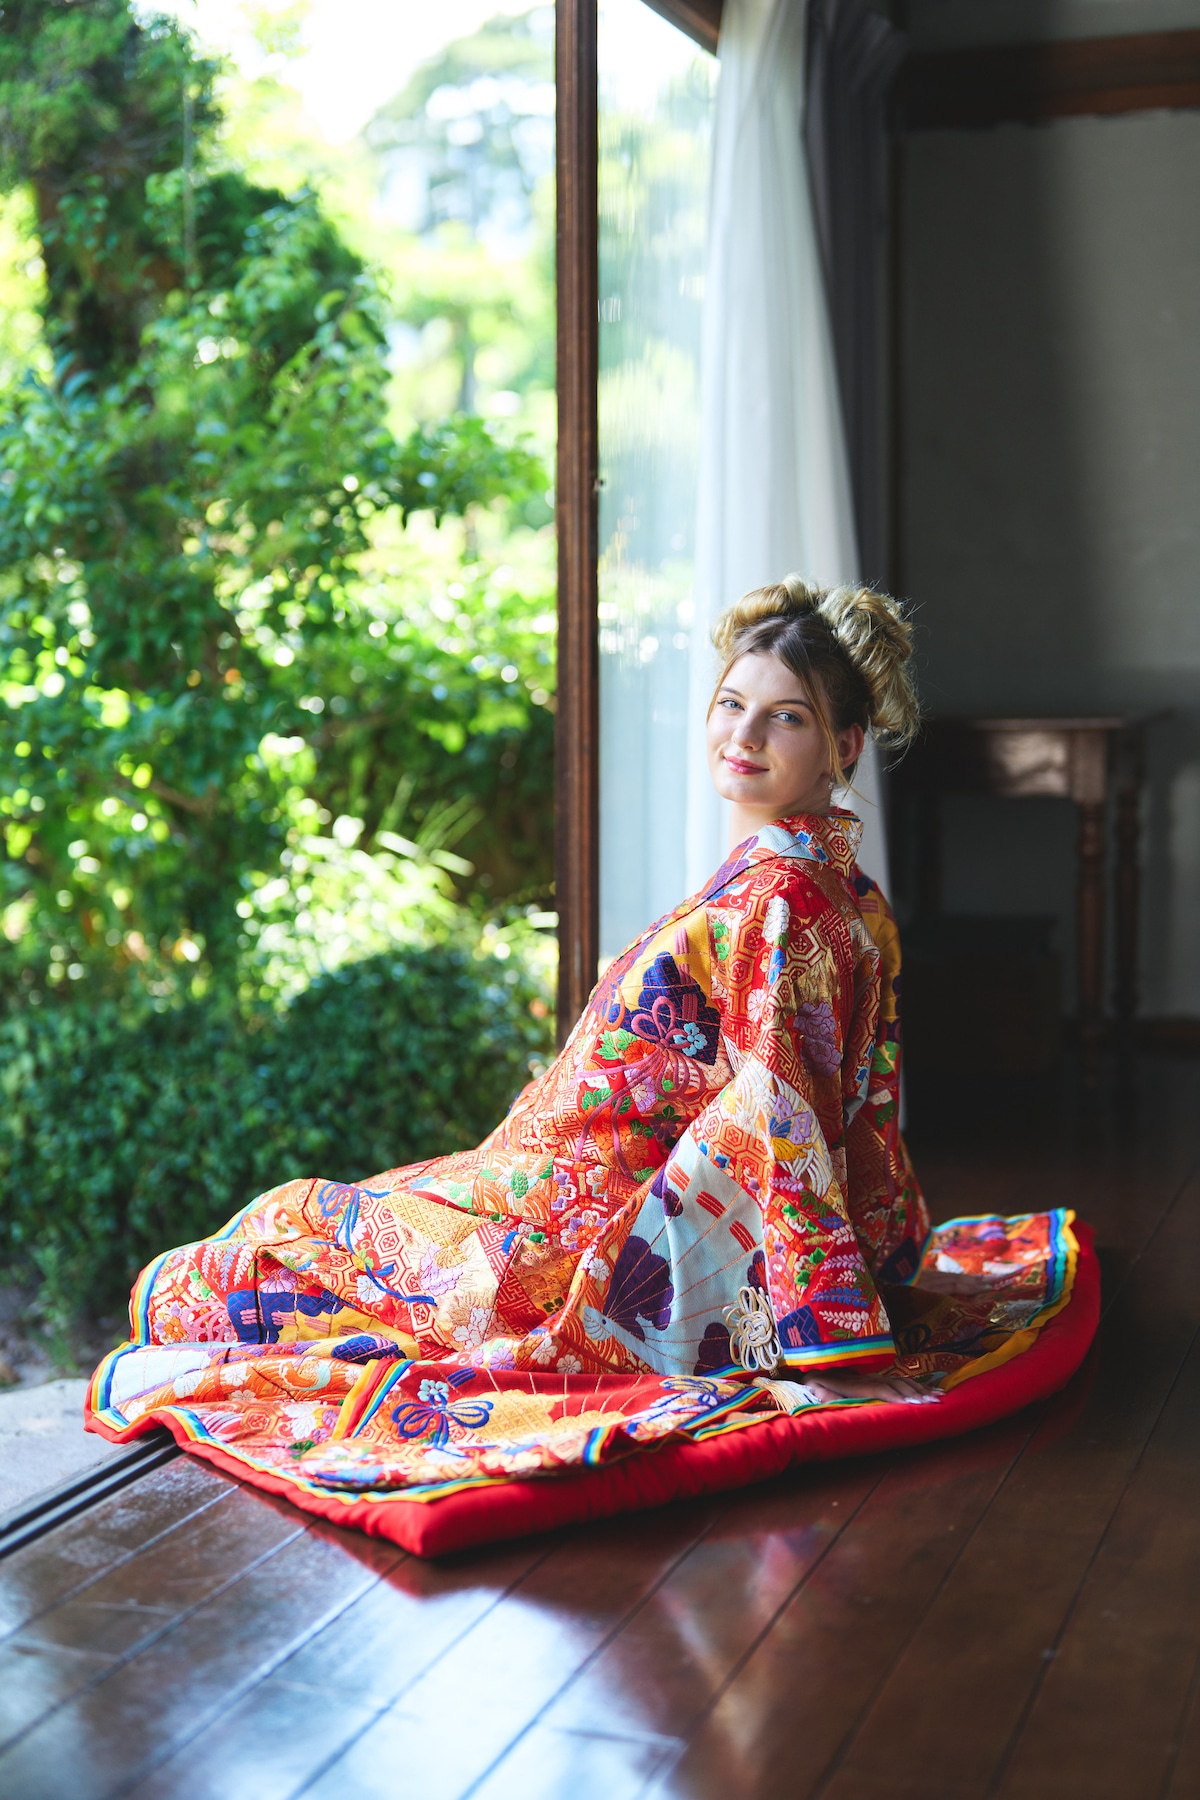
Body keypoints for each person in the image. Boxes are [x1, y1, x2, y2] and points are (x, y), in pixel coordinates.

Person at [88, 578, 1078, 1501]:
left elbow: (783, 1110)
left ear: (844, 745)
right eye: (732, 704)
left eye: (788, 717)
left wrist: (831, 1332)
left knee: (250, 1258)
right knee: (315, 1228)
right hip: (550, 1180)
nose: (744, 734)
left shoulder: (781, 898)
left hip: (578, 1238)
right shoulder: (819, 880)